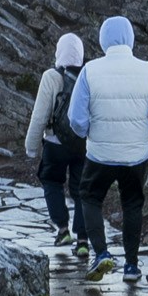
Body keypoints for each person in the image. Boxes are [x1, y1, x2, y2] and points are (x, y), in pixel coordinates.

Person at [66, 13, 148, 287]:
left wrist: (89, 133)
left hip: (100, 153)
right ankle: (131, 266)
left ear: (103, 40)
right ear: (131, 39)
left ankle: (101, 252)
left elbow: (76, 118)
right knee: (132, 205)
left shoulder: (90, 71)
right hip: (136, 155)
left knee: (89, 197)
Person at [22, 31, 91, 262]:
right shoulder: (89, 75)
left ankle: (63, 231)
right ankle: (83, 240)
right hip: (82, 144)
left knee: (51, 181)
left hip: (54, 143)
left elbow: (40, 116)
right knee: (82, 190)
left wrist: (31, 147)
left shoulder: (51, 76)